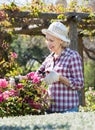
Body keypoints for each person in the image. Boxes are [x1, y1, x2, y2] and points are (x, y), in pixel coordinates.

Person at [20, 21, 84, 113]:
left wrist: (59, 78)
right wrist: (22, 78)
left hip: (68, 110)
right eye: (47, 40)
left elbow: (79, 84)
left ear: (61, 40)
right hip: (50, 110)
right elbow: (36, 76)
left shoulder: (72, 56)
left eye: (51, 40)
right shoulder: (49, 58)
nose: (48, 43)